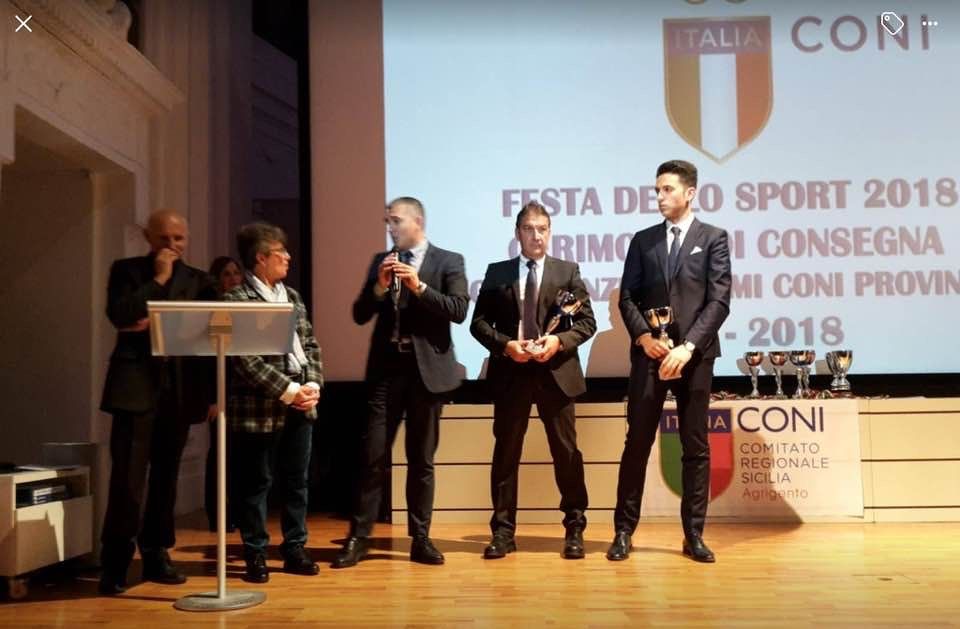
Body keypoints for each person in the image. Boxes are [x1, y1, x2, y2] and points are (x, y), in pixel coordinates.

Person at [332, 197, 468, 568]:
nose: (390, 228)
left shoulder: (448, 261)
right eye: (388, 222)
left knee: (421, 460)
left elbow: (459, 310)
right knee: (372, 456)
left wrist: (419, 287)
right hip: (386, 371)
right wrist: (379, 287)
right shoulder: (382, 261)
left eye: (396, 220)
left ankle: (420, 539)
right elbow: (360, 314)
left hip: (428, 374)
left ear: (417, 221)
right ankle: (359, 538)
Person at [607, 160, 731, 563]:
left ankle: (693, 535)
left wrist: (688, 346)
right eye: (657, 190)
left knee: (695, 446)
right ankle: (623, 532)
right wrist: (644, 337)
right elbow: (628, 297)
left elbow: (719, 301)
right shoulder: (643, 241)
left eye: (667, 189)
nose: (659, 197)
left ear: (689, 193)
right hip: (650, 356)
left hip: (694, 357)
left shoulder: (713, 238)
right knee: (637, 443)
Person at [99, 209, 216, 595]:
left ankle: (156, 553)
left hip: (178, 390)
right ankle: (115, 561)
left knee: (166, 479)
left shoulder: (201, 281)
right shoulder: (127, 271)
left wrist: (149, 321)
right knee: (127, 480)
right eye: (164, 238)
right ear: (148, 237)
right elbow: (122, 315)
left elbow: (206, 334)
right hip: (134, 389)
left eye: (178, 238)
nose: (172, 245)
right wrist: (159, 281)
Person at [470, 201, 596, 560]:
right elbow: (478, 324)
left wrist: (558, 342)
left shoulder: (567, 271)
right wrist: (506, 346)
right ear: (517, 233)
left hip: (556, 374)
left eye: (542, 229)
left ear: (550, 232)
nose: (536, 235)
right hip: (512, 374)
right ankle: (503, 532)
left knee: (566, 454)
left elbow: (587, 323)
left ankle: (574, 528)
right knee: (506, 454)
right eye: (529, 229)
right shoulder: (497, 273)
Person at [224, 223, 323, 583]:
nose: (288, 257)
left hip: (301, 400)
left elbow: (310, 345)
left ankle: (295, 547)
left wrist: (312, 384)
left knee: (297, 480)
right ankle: (255, 552)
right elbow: (244, 359)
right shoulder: (236, 300)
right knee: (257, 482)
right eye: (281, 252)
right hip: (259, 405)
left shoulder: (292, 296)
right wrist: (287, 390)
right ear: (261, 258)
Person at [203, 256, 243, 532]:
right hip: (219, 391)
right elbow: (207, 359)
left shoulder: (245, 308)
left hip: (242, 393)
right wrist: (213, 398)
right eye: (226, 274)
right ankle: (217, 514)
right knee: (219, 454)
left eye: (236, 273)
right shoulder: (212, 311)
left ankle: (237, 512)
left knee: (239, 456)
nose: (233, 279)